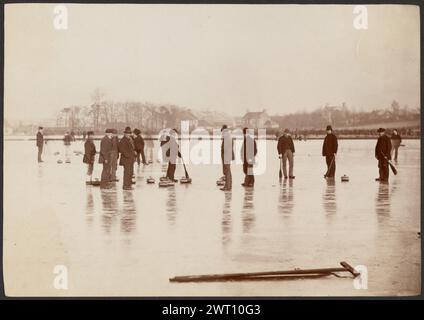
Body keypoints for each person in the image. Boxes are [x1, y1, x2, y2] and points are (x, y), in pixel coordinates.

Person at [220, 125, 235, 191]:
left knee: (227, 171)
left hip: (226, 156)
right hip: (226, 156)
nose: (222, 133)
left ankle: (228, 187)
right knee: (227, 171)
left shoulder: (227, 137)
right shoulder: (228, 136)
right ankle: (227, 186)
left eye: (223, 131)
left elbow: (227, 148)